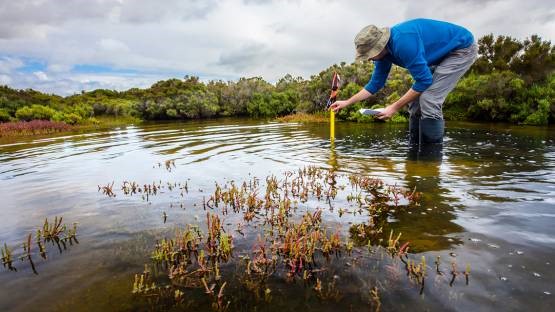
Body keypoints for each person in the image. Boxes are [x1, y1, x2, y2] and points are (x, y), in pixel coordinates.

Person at [330, 18, 478, 145]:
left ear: (379, 47)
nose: (369, 58)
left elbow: (424, 81)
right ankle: (414, 151)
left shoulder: (403, 43)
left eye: (370, 54)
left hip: (461, 49)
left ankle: (430, 160)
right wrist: (347, 102)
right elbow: (376, 83)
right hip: (438, 56)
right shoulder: (382, 55)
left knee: (429, 99)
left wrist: (393, 108)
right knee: (414, 103)